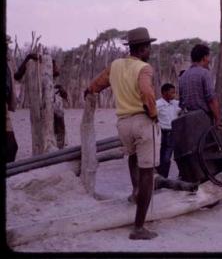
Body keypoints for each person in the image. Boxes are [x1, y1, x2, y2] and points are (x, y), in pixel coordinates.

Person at [84, 27, 159, 240]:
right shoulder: (144, 68)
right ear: (143, 48)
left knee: (134, 157)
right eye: (148, 48)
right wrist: (153, 113)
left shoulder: (116, 65)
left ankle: (135, 192)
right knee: (148, 173)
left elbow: (96, 85)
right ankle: (139, 227)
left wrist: (88, 91)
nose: (150, 51)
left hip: (123, 123)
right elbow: (146, 91)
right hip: (142, 122)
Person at [5, 34, 40, 162]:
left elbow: (17, 76)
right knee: (11, 146)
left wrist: (28, 58)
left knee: (11, 147)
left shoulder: (7, 63)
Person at [178, 44, 221, 126]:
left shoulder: (183, 76)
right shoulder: (205, 73)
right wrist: (218, 119)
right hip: (202, 119)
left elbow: (181, 102)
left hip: (186, 120)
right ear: (204, 57)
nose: (209, 60)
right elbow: (211, 99)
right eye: (208, 57)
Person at [155, 83, 181, 178]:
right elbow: (152, 116)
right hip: (163, 133)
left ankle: (164, 177)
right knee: (163, 157)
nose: (174, 94)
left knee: (173, 156)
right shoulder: (158, 104)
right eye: (172, 92)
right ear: (164, 93)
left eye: (174, 92)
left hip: (173, 133)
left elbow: (182, 108)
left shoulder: (175, 103)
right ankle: (161, 177)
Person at [52, 60, 68, 149]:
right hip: (51, 110)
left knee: (60, 130)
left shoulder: (56, 85)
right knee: (57, 129)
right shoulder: (42, 79)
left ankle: (60, 148)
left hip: (57, 110)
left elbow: (65, 96)